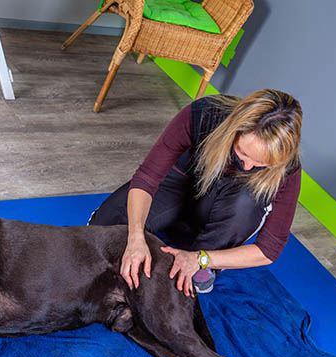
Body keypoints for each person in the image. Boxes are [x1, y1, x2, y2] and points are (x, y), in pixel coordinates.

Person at [88, 89, 303, 296]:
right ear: (234, 130)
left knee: (247, 203)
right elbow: (147, 177)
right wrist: (135, 238)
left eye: (260, 164)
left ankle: (206, 259)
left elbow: (268, 250)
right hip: (181, 183)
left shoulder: (287, 168)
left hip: (224, 210)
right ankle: (167, 227)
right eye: (242, 152)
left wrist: (201, 259)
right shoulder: (205, 114)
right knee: (103, 232)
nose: (247, 166)